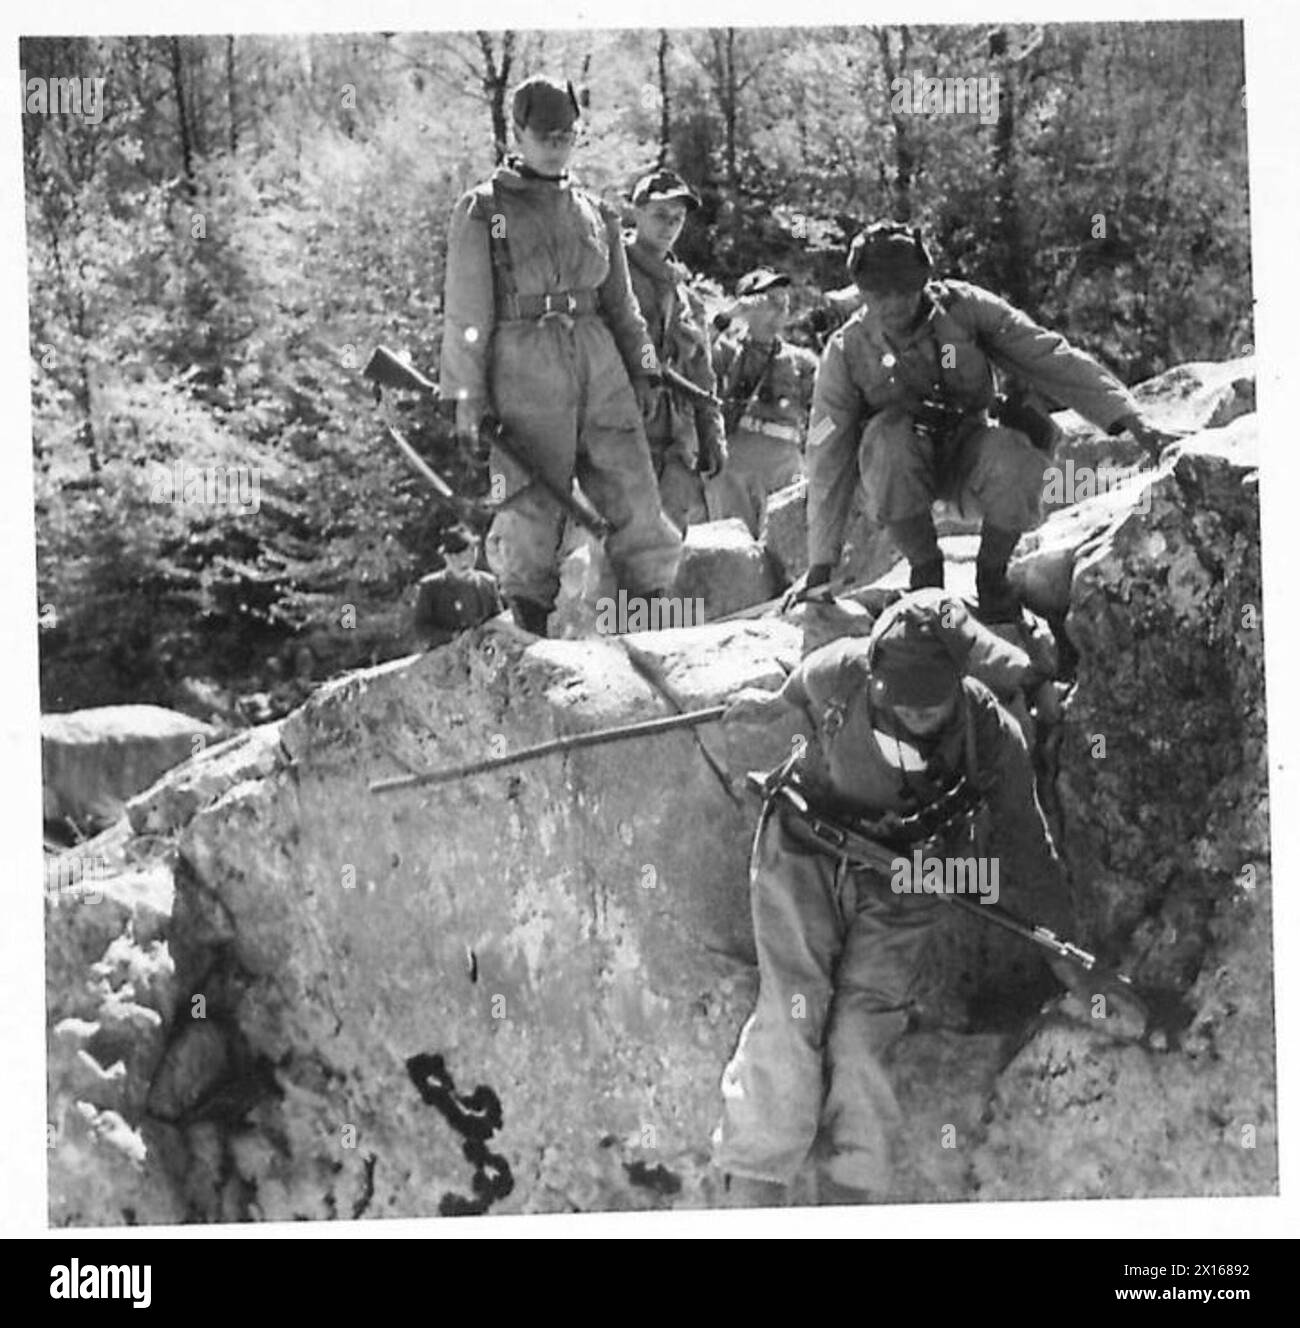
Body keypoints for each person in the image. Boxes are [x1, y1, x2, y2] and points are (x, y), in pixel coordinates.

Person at [713, 587, 1074, 1207]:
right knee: (793, 1009)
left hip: (907, 878)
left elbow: (1026, 847)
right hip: (805, 851)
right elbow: (791, 698)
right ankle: (756, 1181)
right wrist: (762, 713)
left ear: (957, 685)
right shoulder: (843, 672)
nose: (915, 714)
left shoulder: (992, 735)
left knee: (862, 1029)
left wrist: (1065, 954)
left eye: (930, 705)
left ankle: (851, 1192)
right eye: (900, 702)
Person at [797, 221, 1178, 621]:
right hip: (898, 473)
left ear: (924, 279)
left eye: (904, 289)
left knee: (1017, 457)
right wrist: (820, 564)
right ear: (861, 292)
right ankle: (926, 575)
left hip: (970, 450)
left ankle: (992, 577)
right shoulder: (845, 352)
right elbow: (826, 453)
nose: (893, 303)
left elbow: (1047, 355)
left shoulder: (966, 310)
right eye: (879, 293)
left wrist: (1131, 419)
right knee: (886, 440)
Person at [439, 75, 683, 638]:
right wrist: (467, 396)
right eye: (545, 134)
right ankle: (529, 623)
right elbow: (467, 314)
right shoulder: (483, 210)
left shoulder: (596, 210)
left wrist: (643, 366)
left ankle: (654, 612)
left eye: (567, 134)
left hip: (598, 355)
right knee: (529, 495)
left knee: (631, 481)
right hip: (523, 361)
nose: (556, 144)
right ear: (518, 132)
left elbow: (622, 305)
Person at [624, 169, 728, 533]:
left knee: (671, 555)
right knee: (621, 551)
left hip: (679, 445)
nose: (669, 226)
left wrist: (712, 433)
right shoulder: (612, 280)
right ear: (635, 213)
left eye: (677, 219)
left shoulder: (687, 296)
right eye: (659, 215)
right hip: (625, 434)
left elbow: (702, 372)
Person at [708, 268, 818, 538]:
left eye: (784, 302)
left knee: (785, 545)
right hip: (736, 460)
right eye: (769, 302)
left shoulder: (802, 361)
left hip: (785, 462)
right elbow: (691, 354)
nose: (780, 309)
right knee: (735, 543)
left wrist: (814, 453)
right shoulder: (727, 353)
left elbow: (829, 411)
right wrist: (728, 316)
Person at [412, 527, 503, 648]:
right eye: (456, 556)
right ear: (446, 557)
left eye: (469, 554)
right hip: (445, 655)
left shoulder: (488, 583)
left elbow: (499, 621)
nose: (463, 562)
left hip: (483, 651)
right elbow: (421, 629)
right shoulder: (430, 586)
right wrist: (452, 637)